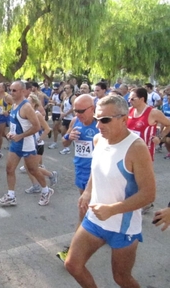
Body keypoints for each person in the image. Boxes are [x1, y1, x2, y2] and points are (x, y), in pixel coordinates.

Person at [65, 95, 156, 288]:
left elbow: (148, 194)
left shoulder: (136, 148)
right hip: (95, 219)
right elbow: (95, 169)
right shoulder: (99, 139)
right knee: (73, 265)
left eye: (105, 120)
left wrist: (112, 210)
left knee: (121, 278)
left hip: (123, 227)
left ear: (124, 119)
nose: (98, 125)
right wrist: (88, 191)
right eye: (97, 119)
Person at [56, 94, 99, 262]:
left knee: (84, 210)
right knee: (91, 209)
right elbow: (64, 142)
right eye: (76, 110)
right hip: (80, 170)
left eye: (82, 111)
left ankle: (73, 250)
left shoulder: (101, 123)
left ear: (92, 108)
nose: (78, 114)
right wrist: (68, 137)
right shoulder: (75, 121)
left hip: (97, 174)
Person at [0, 81, 53, 206]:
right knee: (9, 169)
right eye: (10, 89)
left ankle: (46, 190)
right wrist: (10, 133)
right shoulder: (14, 104)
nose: (11, 92)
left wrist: (20, 136)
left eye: (14, 90)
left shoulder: (26, 106)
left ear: (22, 91)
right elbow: (16, 124)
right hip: (15, 143)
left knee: (33, 170)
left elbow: (37, 127)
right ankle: (11, 196)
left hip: (27, 144)